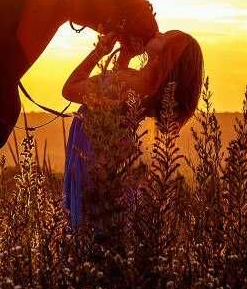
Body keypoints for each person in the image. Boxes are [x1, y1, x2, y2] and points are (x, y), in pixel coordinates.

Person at [61, 29, 205, 227]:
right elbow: (113, 103)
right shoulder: (146, 87)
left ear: (167, 55)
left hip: (88, 147)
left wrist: (100, 51)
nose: (157, 33)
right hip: (107, 153)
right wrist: (125, 56)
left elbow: (70, 89)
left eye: (164, 38)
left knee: (86, 219)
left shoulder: (128, 83)